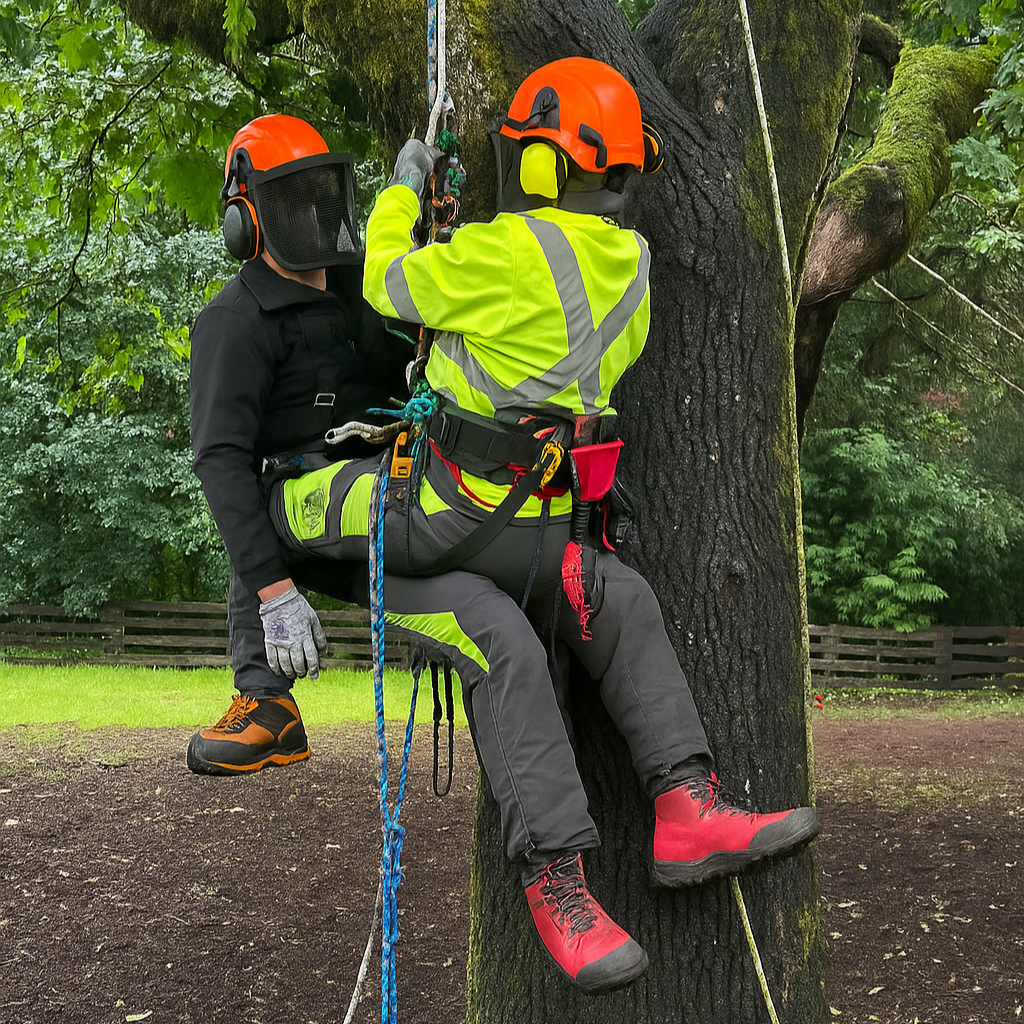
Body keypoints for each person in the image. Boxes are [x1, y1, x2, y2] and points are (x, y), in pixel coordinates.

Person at [261, 59, 823, 994]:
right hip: (545, 533)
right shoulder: (629, 269)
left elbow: (390, 285)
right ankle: (686, 804)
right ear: (616, 173)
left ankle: (558, 881)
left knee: (345, 538)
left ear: (534, 163)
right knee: (617, 600)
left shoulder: (502, 254)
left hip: (439, 519)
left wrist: (403, 193)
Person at [185, 113, 411, 775]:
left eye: (311, 193)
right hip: (302, 509)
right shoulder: (235, 322)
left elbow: (407, 363)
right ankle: (266, 702)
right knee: (253, 503)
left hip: (387, 481)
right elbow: (220, 460)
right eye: (286, 198)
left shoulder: (358, 289)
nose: (304, 212)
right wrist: (276, 594)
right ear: (246, 217)